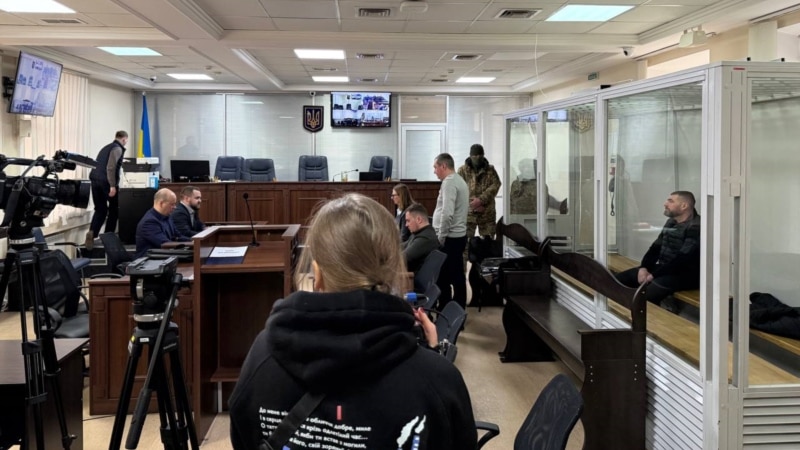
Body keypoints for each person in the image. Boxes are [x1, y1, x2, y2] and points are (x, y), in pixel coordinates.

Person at [228, 193, 476, 450]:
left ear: (317, 274)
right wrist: (432, 355)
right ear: (391, 271)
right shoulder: (438, 380)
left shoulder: (261, 356)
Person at [615, 191, 701, 309]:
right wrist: (644, 268)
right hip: (665, 269)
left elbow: (683, 259)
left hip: (685, 275)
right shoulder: (671, 222)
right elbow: (655, 248)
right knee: (618, 280)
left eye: (671, 201)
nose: (665, 204)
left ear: (684, 206)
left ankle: (657, 317)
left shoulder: (696, 226)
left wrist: (653, 275)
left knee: (643, 297)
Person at [432, 153, 469, 308]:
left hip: (450, 237)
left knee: (445, 276)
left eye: (435, 167)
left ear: (444, 166)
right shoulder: (459, 180)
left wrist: (441, 237)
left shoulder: (449, 182)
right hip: (457, 236)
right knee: (455, 274)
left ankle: (447, 309)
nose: (434, 171)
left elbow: (447, 213)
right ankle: (454, 309)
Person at [87, 130, 128, 248]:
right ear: (124, 139)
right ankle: (108, 237)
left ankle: (92, 233)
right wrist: (112, 185)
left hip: (94, 179)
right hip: (106, 181)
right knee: (114, 209)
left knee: (100, 209)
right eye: (126, 140)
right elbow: (111, 167)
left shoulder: (106, 147)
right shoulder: (117, 149)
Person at [457, 144, 501, 238]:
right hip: (468, 213)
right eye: (475, 155)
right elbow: (458, 190)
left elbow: (496, 184)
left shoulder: (490, 170)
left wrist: (481, 200)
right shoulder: (462, 171)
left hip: (486, 212)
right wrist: (473, 205)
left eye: (480, 155)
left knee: (488, 241)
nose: (477, 157)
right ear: (470, 155)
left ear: (483, 155)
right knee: (465, 241)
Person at [134, 188, 189, 257]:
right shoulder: (149, 222)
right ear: (161, 203)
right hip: (149, 260)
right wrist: (191, 244)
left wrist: (193, 241)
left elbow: (178, 236)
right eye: (172, 204)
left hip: (164, 256)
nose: (175, 207)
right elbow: (165, 244)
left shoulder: (167, 217)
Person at [402, 203, 439, 274]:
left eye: (408, 221)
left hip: (411, 278)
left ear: (419, 219)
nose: (406, 225)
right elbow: (403, 246)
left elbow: (402, 258)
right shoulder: (419, 233)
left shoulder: (425, 238)